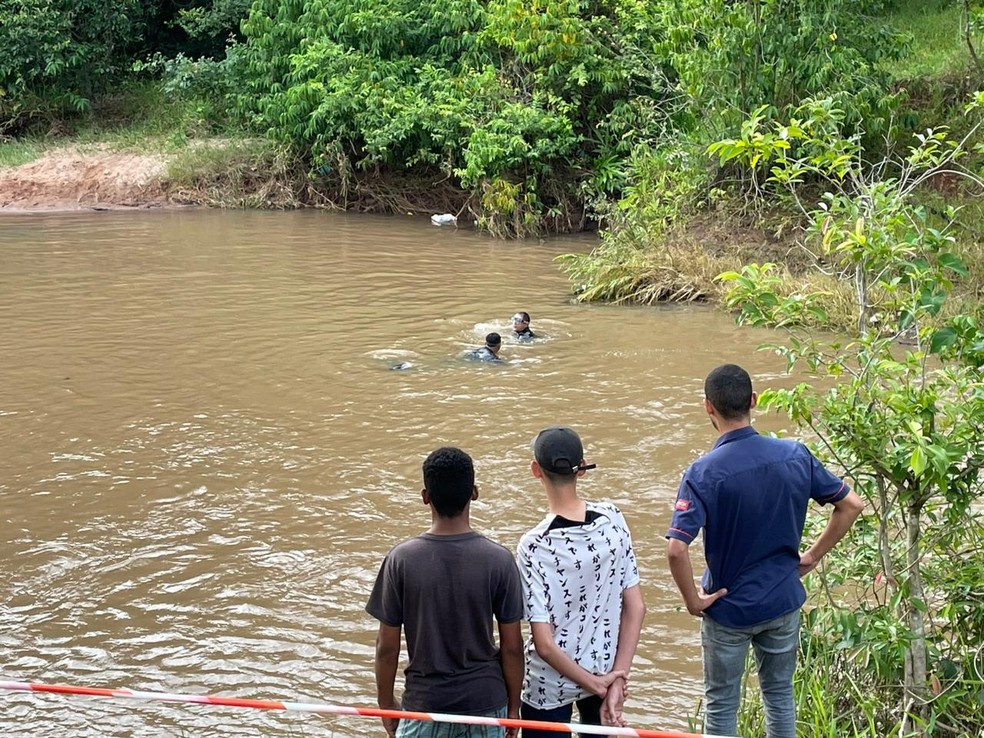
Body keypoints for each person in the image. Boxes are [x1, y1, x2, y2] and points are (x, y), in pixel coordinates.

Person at [665, 364, 864, 738]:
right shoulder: (794, 454)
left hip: (728, 610)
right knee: (779, 696)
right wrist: (813, 556)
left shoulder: (703, 472)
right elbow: (850, 505)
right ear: (754, 401)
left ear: (708, 407)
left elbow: (677, 549)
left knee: (722, 704)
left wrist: (693, 601)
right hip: (782, 601)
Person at [367, 447, 525, 738]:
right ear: (474, 493)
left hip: (425, 704)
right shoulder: (499, 559)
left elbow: (386, 648)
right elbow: (513, 647)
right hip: (486, 705)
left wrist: (385, 703)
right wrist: (514, 709)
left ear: (425, 496)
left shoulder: (401, 560)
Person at [517, 426, 646, 737]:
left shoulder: (534, 546)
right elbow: (637, 608)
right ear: (582, 469)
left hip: (549, 687)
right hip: (604, 671)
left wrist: (599, 683)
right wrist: (614, 681)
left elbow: (545, 646)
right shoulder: (613, 519)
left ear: (536, 471)